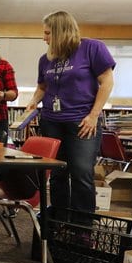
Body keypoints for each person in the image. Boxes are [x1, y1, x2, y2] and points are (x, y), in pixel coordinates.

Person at [26, 11, 115, 212]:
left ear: (61, 31)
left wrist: (93, 115)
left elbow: (107, 81)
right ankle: (58, 220)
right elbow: (42, 87)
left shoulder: (92, 47)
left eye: (48, 33)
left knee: (81, 172)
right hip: (51, 121)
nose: (44, 38)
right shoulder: (45, 59)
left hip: (82, 121)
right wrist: (33, 102)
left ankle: (82, 227)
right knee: (57, 172)